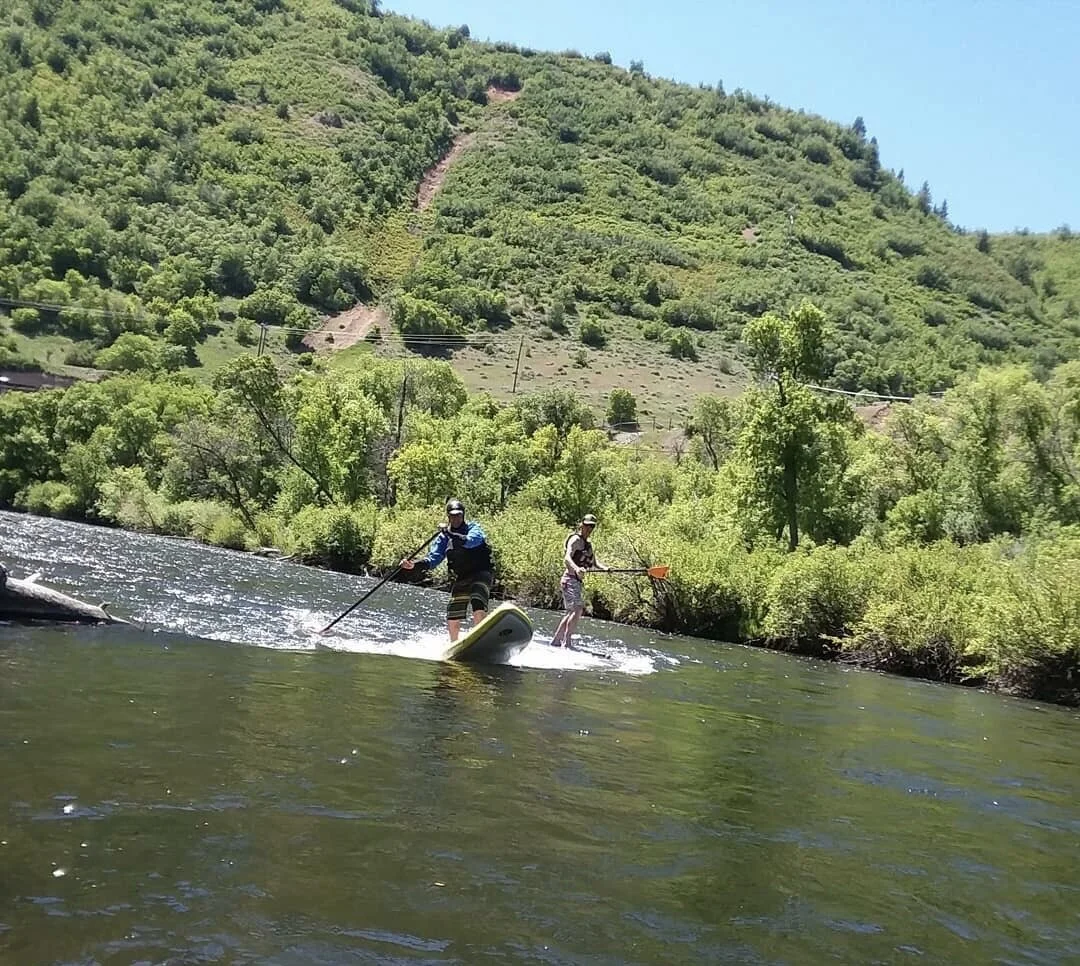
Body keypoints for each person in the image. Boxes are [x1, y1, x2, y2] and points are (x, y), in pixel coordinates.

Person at [401, 499, 493, 642]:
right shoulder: (443, 537)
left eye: (458, 515)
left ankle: (480, 637)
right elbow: (433, 559)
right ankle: (454, 644)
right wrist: (414, 565)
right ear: (448, 517)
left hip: (481, 573)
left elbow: (470, 541)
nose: (456, 518)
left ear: (463, 515)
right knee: (453, 612)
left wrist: (449, 533)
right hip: (462, 576)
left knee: (477, 598)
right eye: (452, 516)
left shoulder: (473, 528)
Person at [551, 513, 609, 648]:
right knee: (577, 609)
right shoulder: (575, 540)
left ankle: (556, 640)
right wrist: (576, 569)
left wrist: (605, 569)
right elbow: (567, 558)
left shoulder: (588, 544)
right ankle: (567, 642)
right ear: (582, 525)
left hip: (576, 582)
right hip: (569, 579)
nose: (589, 529)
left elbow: (594, 562)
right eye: (587, 525)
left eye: (592, 527)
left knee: (572, 611)